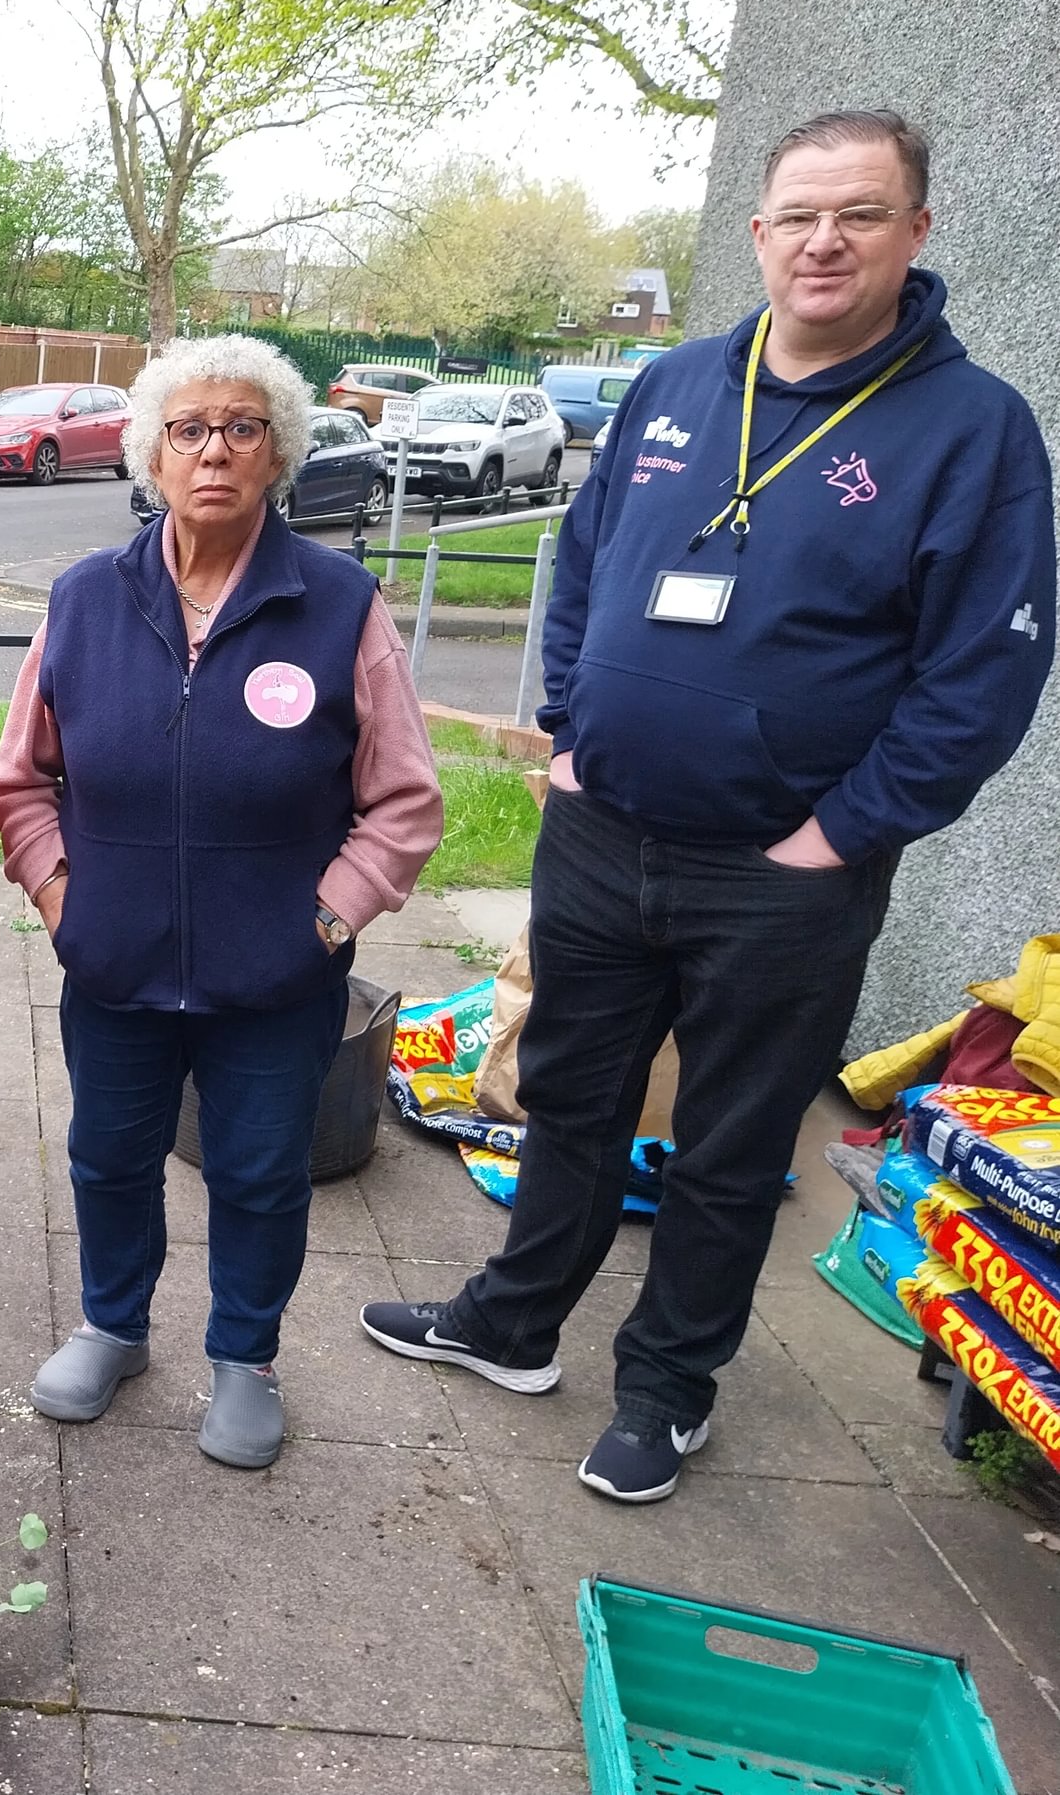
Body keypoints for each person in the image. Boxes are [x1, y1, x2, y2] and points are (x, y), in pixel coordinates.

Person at [362, 110, 1056, 1504]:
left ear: (917, 232)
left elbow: (984, 673)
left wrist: (839, 833)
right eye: (799, 214)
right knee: (567, 1096)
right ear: (757, 231)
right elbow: (586, 561)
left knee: (730, 1145)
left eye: (859, 214)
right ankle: (513, 1324)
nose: (823, 241)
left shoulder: (971, 430)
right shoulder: (681, 382)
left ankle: (667, 1390)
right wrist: (568, 730)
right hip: (602, 832)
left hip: (783, 873)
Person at [0, 333, 442, 1469]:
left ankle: (246, 1357)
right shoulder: (85, 600)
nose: (214, 451)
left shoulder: (337, 605)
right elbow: (21, 780)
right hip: (114, 965)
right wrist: (59, 895)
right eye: (188, 429)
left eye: (243, 428)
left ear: (277, 453)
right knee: (107, 1157)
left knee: (259, 1173)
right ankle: (112, 1326)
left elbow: (403, 801)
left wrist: (327, 920)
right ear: (150, 454)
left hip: (276, 977)